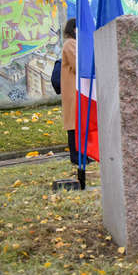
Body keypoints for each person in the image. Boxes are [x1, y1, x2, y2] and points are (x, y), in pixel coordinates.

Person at [61, 18, 78, 166]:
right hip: (72, 91)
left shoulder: (73, 44)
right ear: (73, 29)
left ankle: (80, 155)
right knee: (73, 125)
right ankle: (76, 156)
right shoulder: (70, 44)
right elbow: (78, 65)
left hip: (75, 91)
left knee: (77, 123)